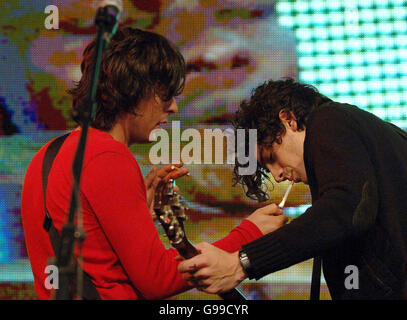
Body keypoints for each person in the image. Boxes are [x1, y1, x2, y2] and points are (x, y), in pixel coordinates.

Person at [20, 27, 288, 300]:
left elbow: (90, 256)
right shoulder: (108, 158)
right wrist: (249, 233)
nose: (172, 107)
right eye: (165, 94)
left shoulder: (47, 155)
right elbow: (157, 279)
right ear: (133, 91)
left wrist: (137, 214)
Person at [178, 78, 407, 300]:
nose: (278, 176)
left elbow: (347, 208)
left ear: (289, 120)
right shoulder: (377, 136)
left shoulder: (329, 119)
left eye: (271, 157)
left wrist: (241, 264)